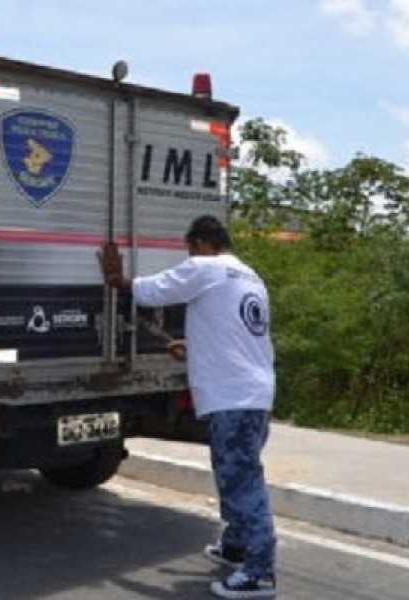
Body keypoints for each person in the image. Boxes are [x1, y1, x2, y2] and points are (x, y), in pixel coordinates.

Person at [98, 215, 277, 599]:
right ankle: (235, 546)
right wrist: (193, 349)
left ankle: (259, 572)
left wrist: (117, 280)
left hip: (234, 398)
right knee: (232, 472)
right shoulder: (249, 276)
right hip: (252, 392)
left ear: (200, 244)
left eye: (189, 249)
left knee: (242, 480)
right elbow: (235, 336)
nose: (189, 255)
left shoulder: (206, 267)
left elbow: (154, 290)